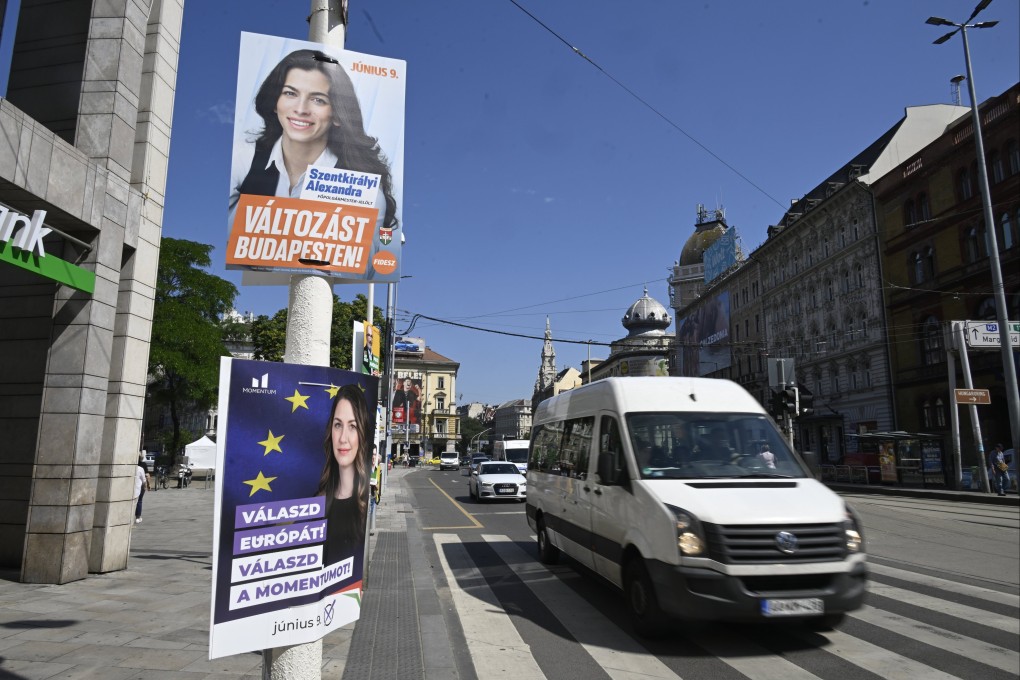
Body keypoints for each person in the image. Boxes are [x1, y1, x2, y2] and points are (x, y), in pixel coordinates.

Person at [228, 49, 398, 245]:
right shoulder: (243, 158)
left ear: (337, 114)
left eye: (318, 100)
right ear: (275, 102)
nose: (301, 109)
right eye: (290, 93)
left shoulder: (363, 190)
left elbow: (356, 267)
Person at [316, 384, 370, 572]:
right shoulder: (317, 502)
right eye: (338, 425)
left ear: (363, 434)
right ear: (330, 431)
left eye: (353, 426)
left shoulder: (365, 506)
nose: (343, 438)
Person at [133, 458, 148, 523]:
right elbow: (144, 480)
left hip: (131, 489)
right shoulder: (140, 468)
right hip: (138, 488)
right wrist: (145, 487)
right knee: (139, 501)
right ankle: (138, 517)